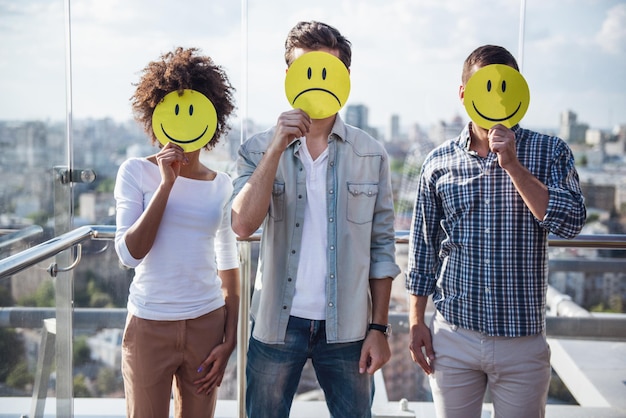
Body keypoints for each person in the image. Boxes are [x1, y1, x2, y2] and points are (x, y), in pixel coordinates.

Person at [231, 21, 401, 418]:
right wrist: (277, 147)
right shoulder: (256, 150)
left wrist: (378, 329)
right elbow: (242, 225)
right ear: (288, 75)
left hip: (349, 329)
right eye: (305, 69)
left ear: (345, 78)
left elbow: (381, 247)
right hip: (276, 324)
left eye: (329, 70)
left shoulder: (370, 154)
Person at [406, 44, 586, 418]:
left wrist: (515, 168)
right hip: (453, 335)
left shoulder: (550, 151)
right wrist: (415, 322)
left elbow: (571, 223)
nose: (496, 97)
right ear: (463, 94)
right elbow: (423, 248)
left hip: (521, 341)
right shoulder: (438, 163)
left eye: (505, 87)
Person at [114, 47, 240, 418]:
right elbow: (128, 254)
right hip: (149, 324)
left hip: (207, 323)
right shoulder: (136, 172)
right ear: (156, 116)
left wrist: (229, 339)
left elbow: (229, 266)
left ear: (212, 116)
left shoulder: (221, 184)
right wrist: (166, 185)